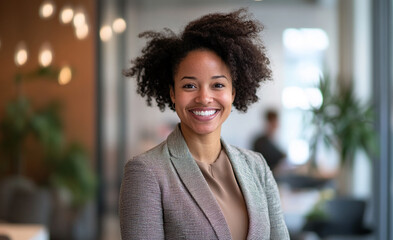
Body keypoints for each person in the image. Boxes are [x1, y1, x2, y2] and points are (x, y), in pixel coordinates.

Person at [119, 9, 290, 240]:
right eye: (189, 86)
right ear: (172, 93)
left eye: (218, 85)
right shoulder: (147, 172)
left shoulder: (257, 167)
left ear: (233, 93)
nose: (204, 97)